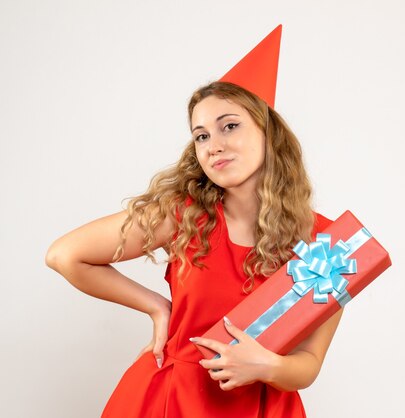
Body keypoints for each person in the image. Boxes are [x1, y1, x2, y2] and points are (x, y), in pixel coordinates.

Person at [45, 25, 342, 417]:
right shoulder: (185, 215)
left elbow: (309, 363)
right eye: (201, 136)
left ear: (269, 133)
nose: (213, 145)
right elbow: (65, 255)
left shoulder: (328, 243)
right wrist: (156, 306)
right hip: (173, 400)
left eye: (229, 126)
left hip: (264, 406)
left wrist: (267, 366)